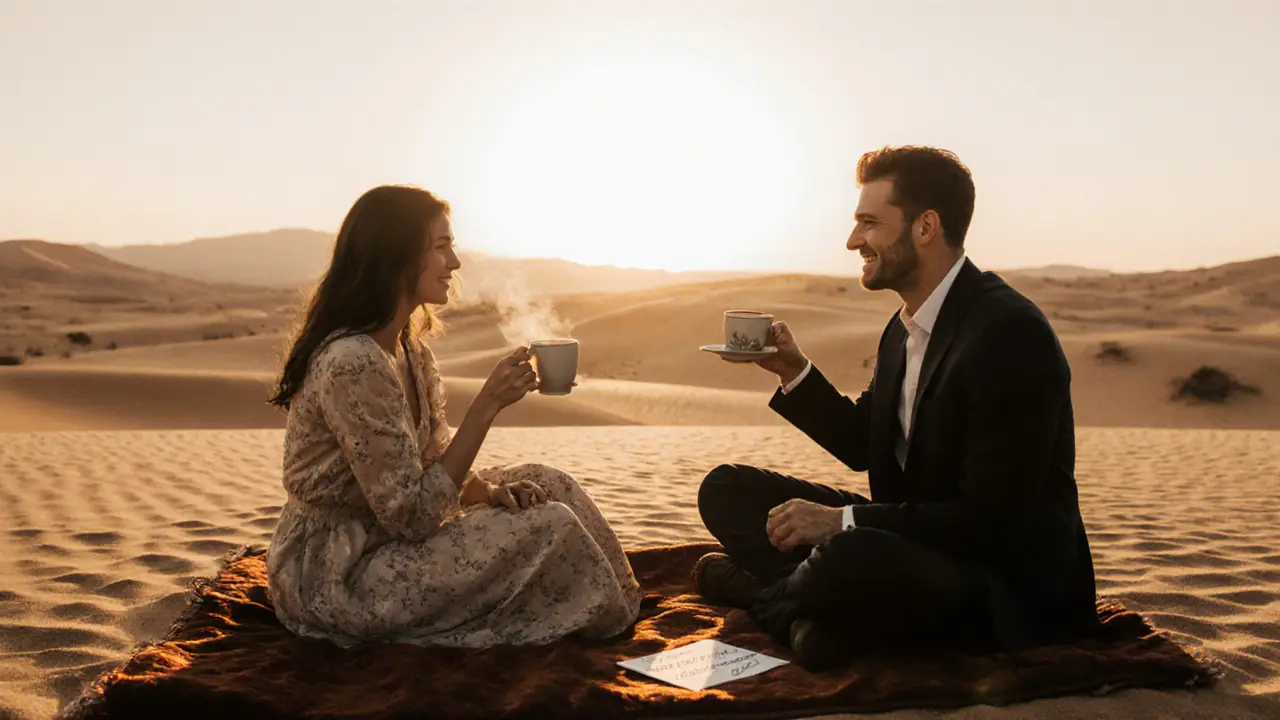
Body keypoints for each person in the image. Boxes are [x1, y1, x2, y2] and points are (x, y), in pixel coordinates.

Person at [694, 146, 1100, 670]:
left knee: (847, 554)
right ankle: (806, 614)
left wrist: (841, 521)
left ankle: (768, 602)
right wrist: (792, 371)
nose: (852, 240)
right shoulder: (904, 329)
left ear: (925, 226)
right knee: (727, 489)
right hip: (910, 538)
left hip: (1002, 583)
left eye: (869, 223)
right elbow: (864, 444)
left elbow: (991, 523)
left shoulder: (1008, 334)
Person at [264, 184, 642, 648]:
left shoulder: (411, 352)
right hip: (341, 570)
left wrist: (489, 491)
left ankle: (622, 619)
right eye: (441, 248)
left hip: (387, 534)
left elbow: (431, 463)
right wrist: (487, 407)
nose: (455, 263)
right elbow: (413, 516)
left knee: (550, 485)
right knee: (551, 526)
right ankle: (601, 636)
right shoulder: (353, 363)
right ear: (397, 257)